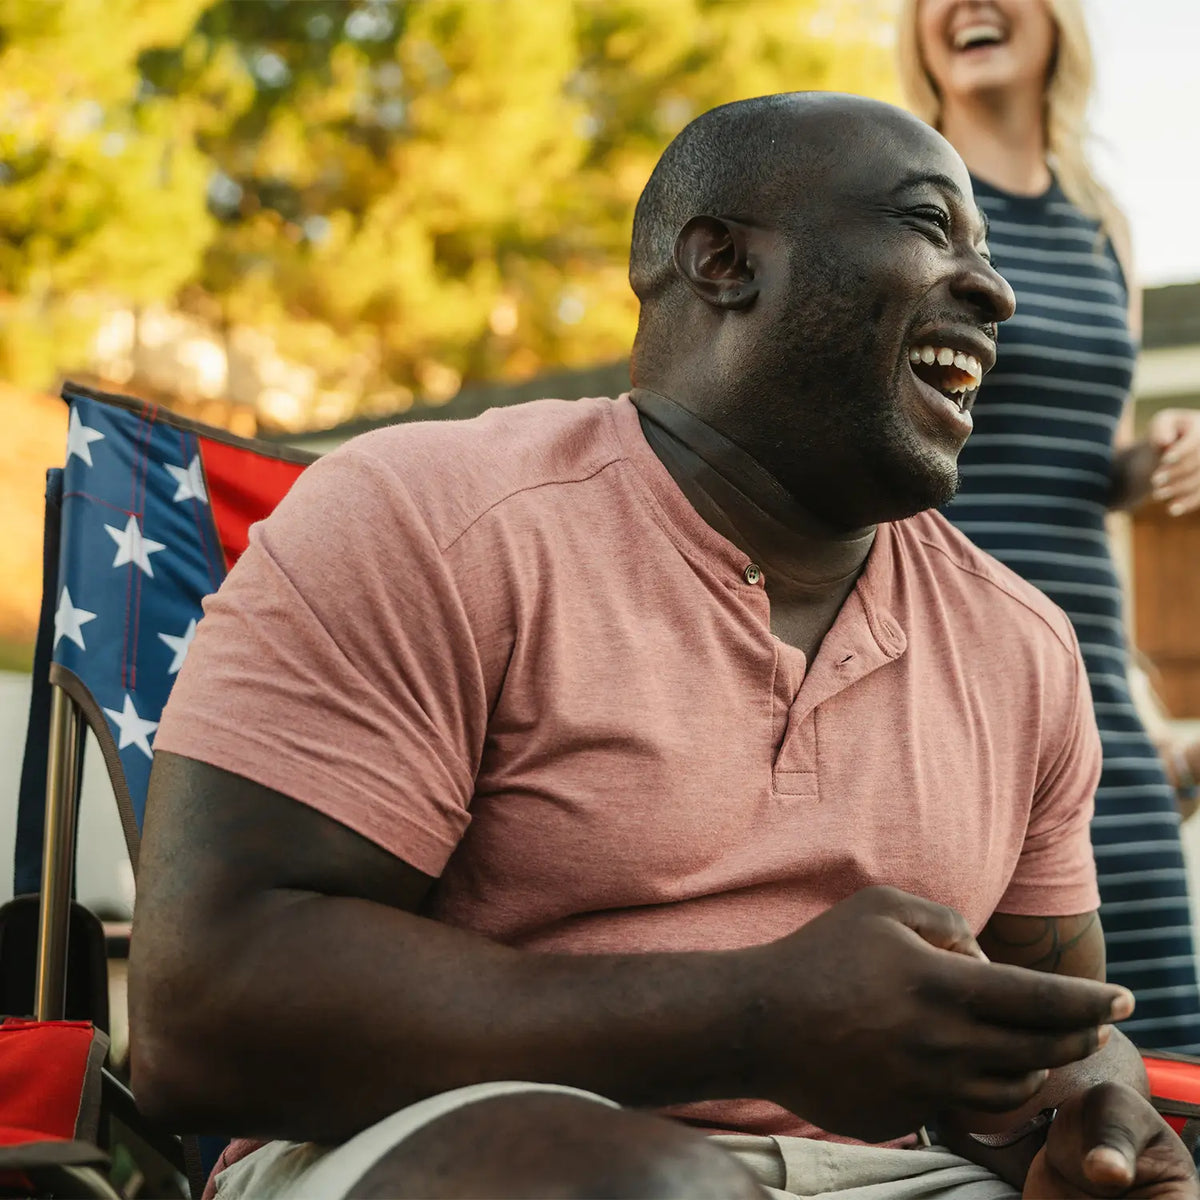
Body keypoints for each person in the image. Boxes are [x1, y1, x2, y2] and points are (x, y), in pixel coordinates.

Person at [128, 93, 1198, 1200]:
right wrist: (752, 1021)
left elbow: (1049, 1047)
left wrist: (1092, 1123)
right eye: (931, 226)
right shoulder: (427, 515)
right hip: (435, 1152)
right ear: (722, 262)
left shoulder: (1022, 647)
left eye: (989, 252)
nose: (995, 290)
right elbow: (201, 1015)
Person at [897, 0, 1200, 1053]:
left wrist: (1160, 456)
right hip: (943, 659)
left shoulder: (1100, 221)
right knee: (1014, 1045)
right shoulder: (902, 195)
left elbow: (1088, 461)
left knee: (1161, 1023)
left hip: (1093, 675)